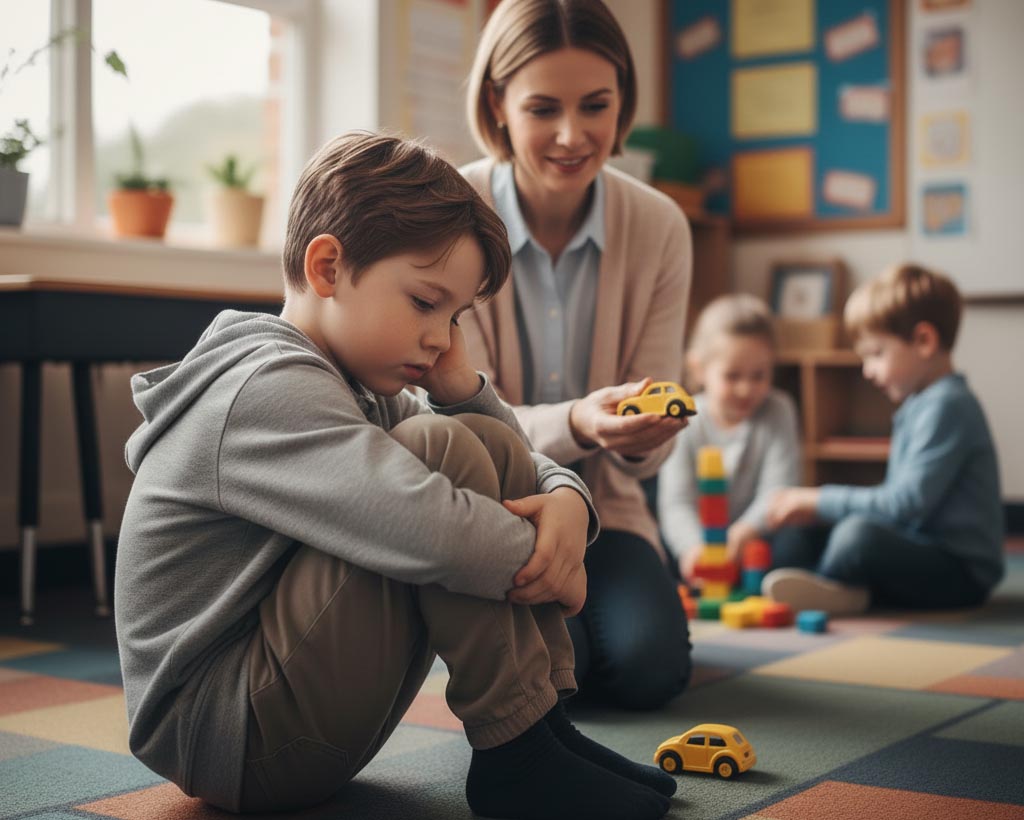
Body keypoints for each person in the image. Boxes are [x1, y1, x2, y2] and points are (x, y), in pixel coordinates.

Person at [114, 132, 677, 820]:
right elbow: (430, 532)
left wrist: (560, 493)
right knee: (436, 448)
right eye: (424, 302)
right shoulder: (262, 386)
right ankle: (520, 753)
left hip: (286, 715)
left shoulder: (356, 382)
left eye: (456, 316)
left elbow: (511, 457)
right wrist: (552, 564)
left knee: (474, 439)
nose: (441, 337)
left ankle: (543, 732)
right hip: (233, 736)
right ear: (327, 267)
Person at [461, 0, 693, 710]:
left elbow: (648, 453)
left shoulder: (660, 226)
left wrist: (643, 435)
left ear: (623, 100)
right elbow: (465, 420)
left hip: (609, 512)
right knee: (554, 675)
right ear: (498, 105)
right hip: (494, 505)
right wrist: (580, 423)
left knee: (650, 673)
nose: (572, 135)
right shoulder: (452, 213)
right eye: (543, 109)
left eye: (596, 105)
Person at [764, 263, 1005, 614]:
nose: (867, 371)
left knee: (856, 536)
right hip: (918, 546)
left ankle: (836, 589)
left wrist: (818, 499)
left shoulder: (948, 406)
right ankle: (815, 582)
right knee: (798, 532)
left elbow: (904, 505)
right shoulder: (921, 403)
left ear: (924, 341)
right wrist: (814, 510)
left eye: (876, 354)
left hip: (962, 573)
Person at [658, 295, 801, 581]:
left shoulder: (778, 409)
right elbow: (676, 501)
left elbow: (778, 490)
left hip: (756, 537)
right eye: (732, 376)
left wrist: (744, 532)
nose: (746, 389)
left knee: (794, 541)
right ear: (699, 369)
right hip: (699, 538)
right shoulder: (685, 418)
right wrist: (692, 550)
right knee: (656, 544)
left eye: (758, 376)